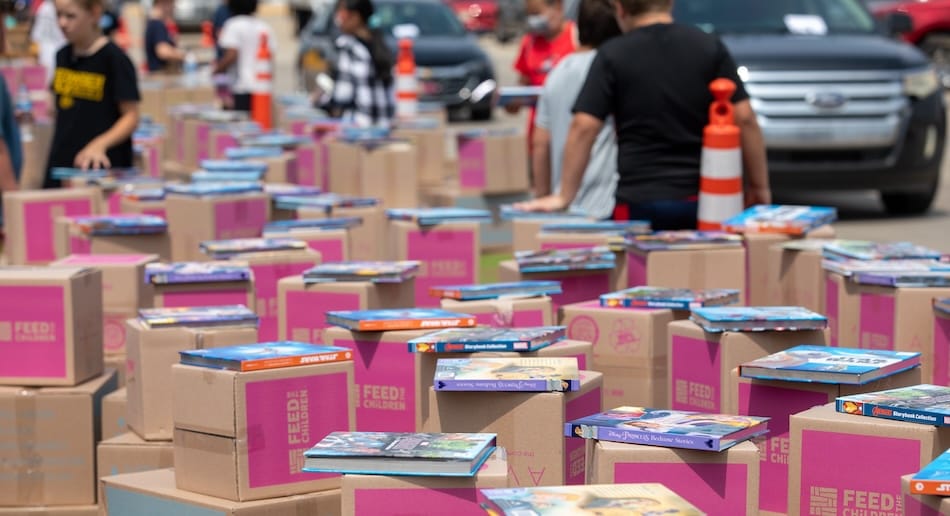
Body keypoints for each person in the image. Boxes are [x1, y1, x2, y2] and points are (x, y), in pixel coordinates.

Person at [516, 0, 770, 229]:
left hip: (637, 199)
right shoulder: (708, 46)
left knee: (642, 277)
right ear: (670, 3)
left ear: (621, 9)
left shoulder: (612, 55)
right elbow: (745, 118)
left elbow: (584, 127)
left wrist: (564, 196)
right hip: (700, 198)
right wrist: (758, 187)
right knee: (702, 275)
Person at [532, 0, 619, 220]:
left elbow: (540, 142)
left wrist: (544, 198)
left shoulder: (558, 71)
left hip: (563, 204)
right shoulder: (615, 68)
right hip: (605, 204)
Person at [43, 0, 140, 187]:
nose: (62, 23)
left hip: (99, 168)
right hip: (62, 162)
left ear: (94, 14)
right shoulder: (62, 55)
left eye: (70, 16)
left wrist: (100, 144)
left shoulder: (114, 59)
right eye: (59, 15)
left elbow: (131, 116)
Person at [508, 0, 575, 149]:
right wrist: (512, 101)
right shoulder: (529, 42)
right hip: (538, 136)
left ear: (557, 7)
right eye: (529, 15)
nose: (533, 20)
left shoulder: (576, 38)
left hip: (568, 133)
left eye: (537, 13)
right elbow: (522, 84)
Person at [315, 0, 393, 127]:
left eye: (341, 14)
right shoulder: (379, 44)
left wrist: (318, 99)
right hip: (384, 126)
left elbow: (341, 97)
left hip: (360, 130)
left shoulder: (351, 48)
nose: (338, 19)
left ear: (356, 17)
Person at [213, 0, 276, 113]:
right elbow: (270, 58)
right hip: (262, 88)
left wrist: (217, 70)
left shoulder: (233, 25)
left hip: (241, 87)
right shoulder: (264, 27)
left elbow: (232, 54)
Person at [31, 0, 67, 84]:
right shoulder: (45, 7)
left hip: (59, 45)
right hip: (47, 47)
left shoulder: (45, 7)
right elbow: (37, 33)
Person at [145, 0, 186, 72]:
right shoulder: (157, 24)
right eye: (172, 4)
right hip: (160, 74)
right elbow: (163, 51)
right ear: (163, 3)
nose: (174, 7)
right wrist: (184, 56)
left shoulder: (153, 22)